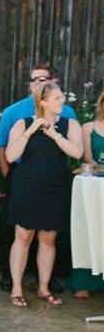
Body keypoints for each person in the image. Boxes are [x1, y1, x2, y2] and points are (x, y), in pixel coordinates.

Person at [0, 64, 77, 293]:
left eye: (43, 79)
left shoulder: (68, 114)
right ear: (31, 84)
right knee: (18, 233)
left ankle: (45, 282)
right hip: (22, 178)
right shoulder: (15, 112)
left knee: (49, 235)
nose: (38, 83)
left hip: (54, 181)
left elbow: (74, 150)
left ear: (52, 80)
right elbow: (2, 146)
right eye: (34, 79)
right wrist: (8, 174)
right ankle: (11, 280)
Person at [72, 91, 104, 298]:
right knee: (90, 228)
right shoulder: (88, 128)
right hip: (94, 188)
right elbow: (88, 162)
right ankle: (84, 280)